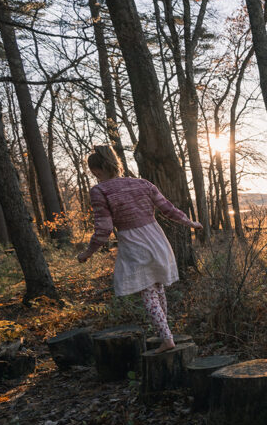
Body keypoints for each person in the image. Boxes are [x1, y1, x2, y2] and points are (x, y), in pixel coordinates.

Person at [77, 145, 201, 353]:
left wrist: (87, 253)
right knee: (157, 287)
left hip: (135, 244)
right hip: (157, 238)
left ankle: (167, 338)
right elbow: (168, 209)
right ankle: (165, 333)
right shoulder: (142, 183)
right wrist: (190, 222)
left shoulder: (100, 191)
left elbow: (104, 229)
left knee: (148, 292)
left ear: (96, 171)